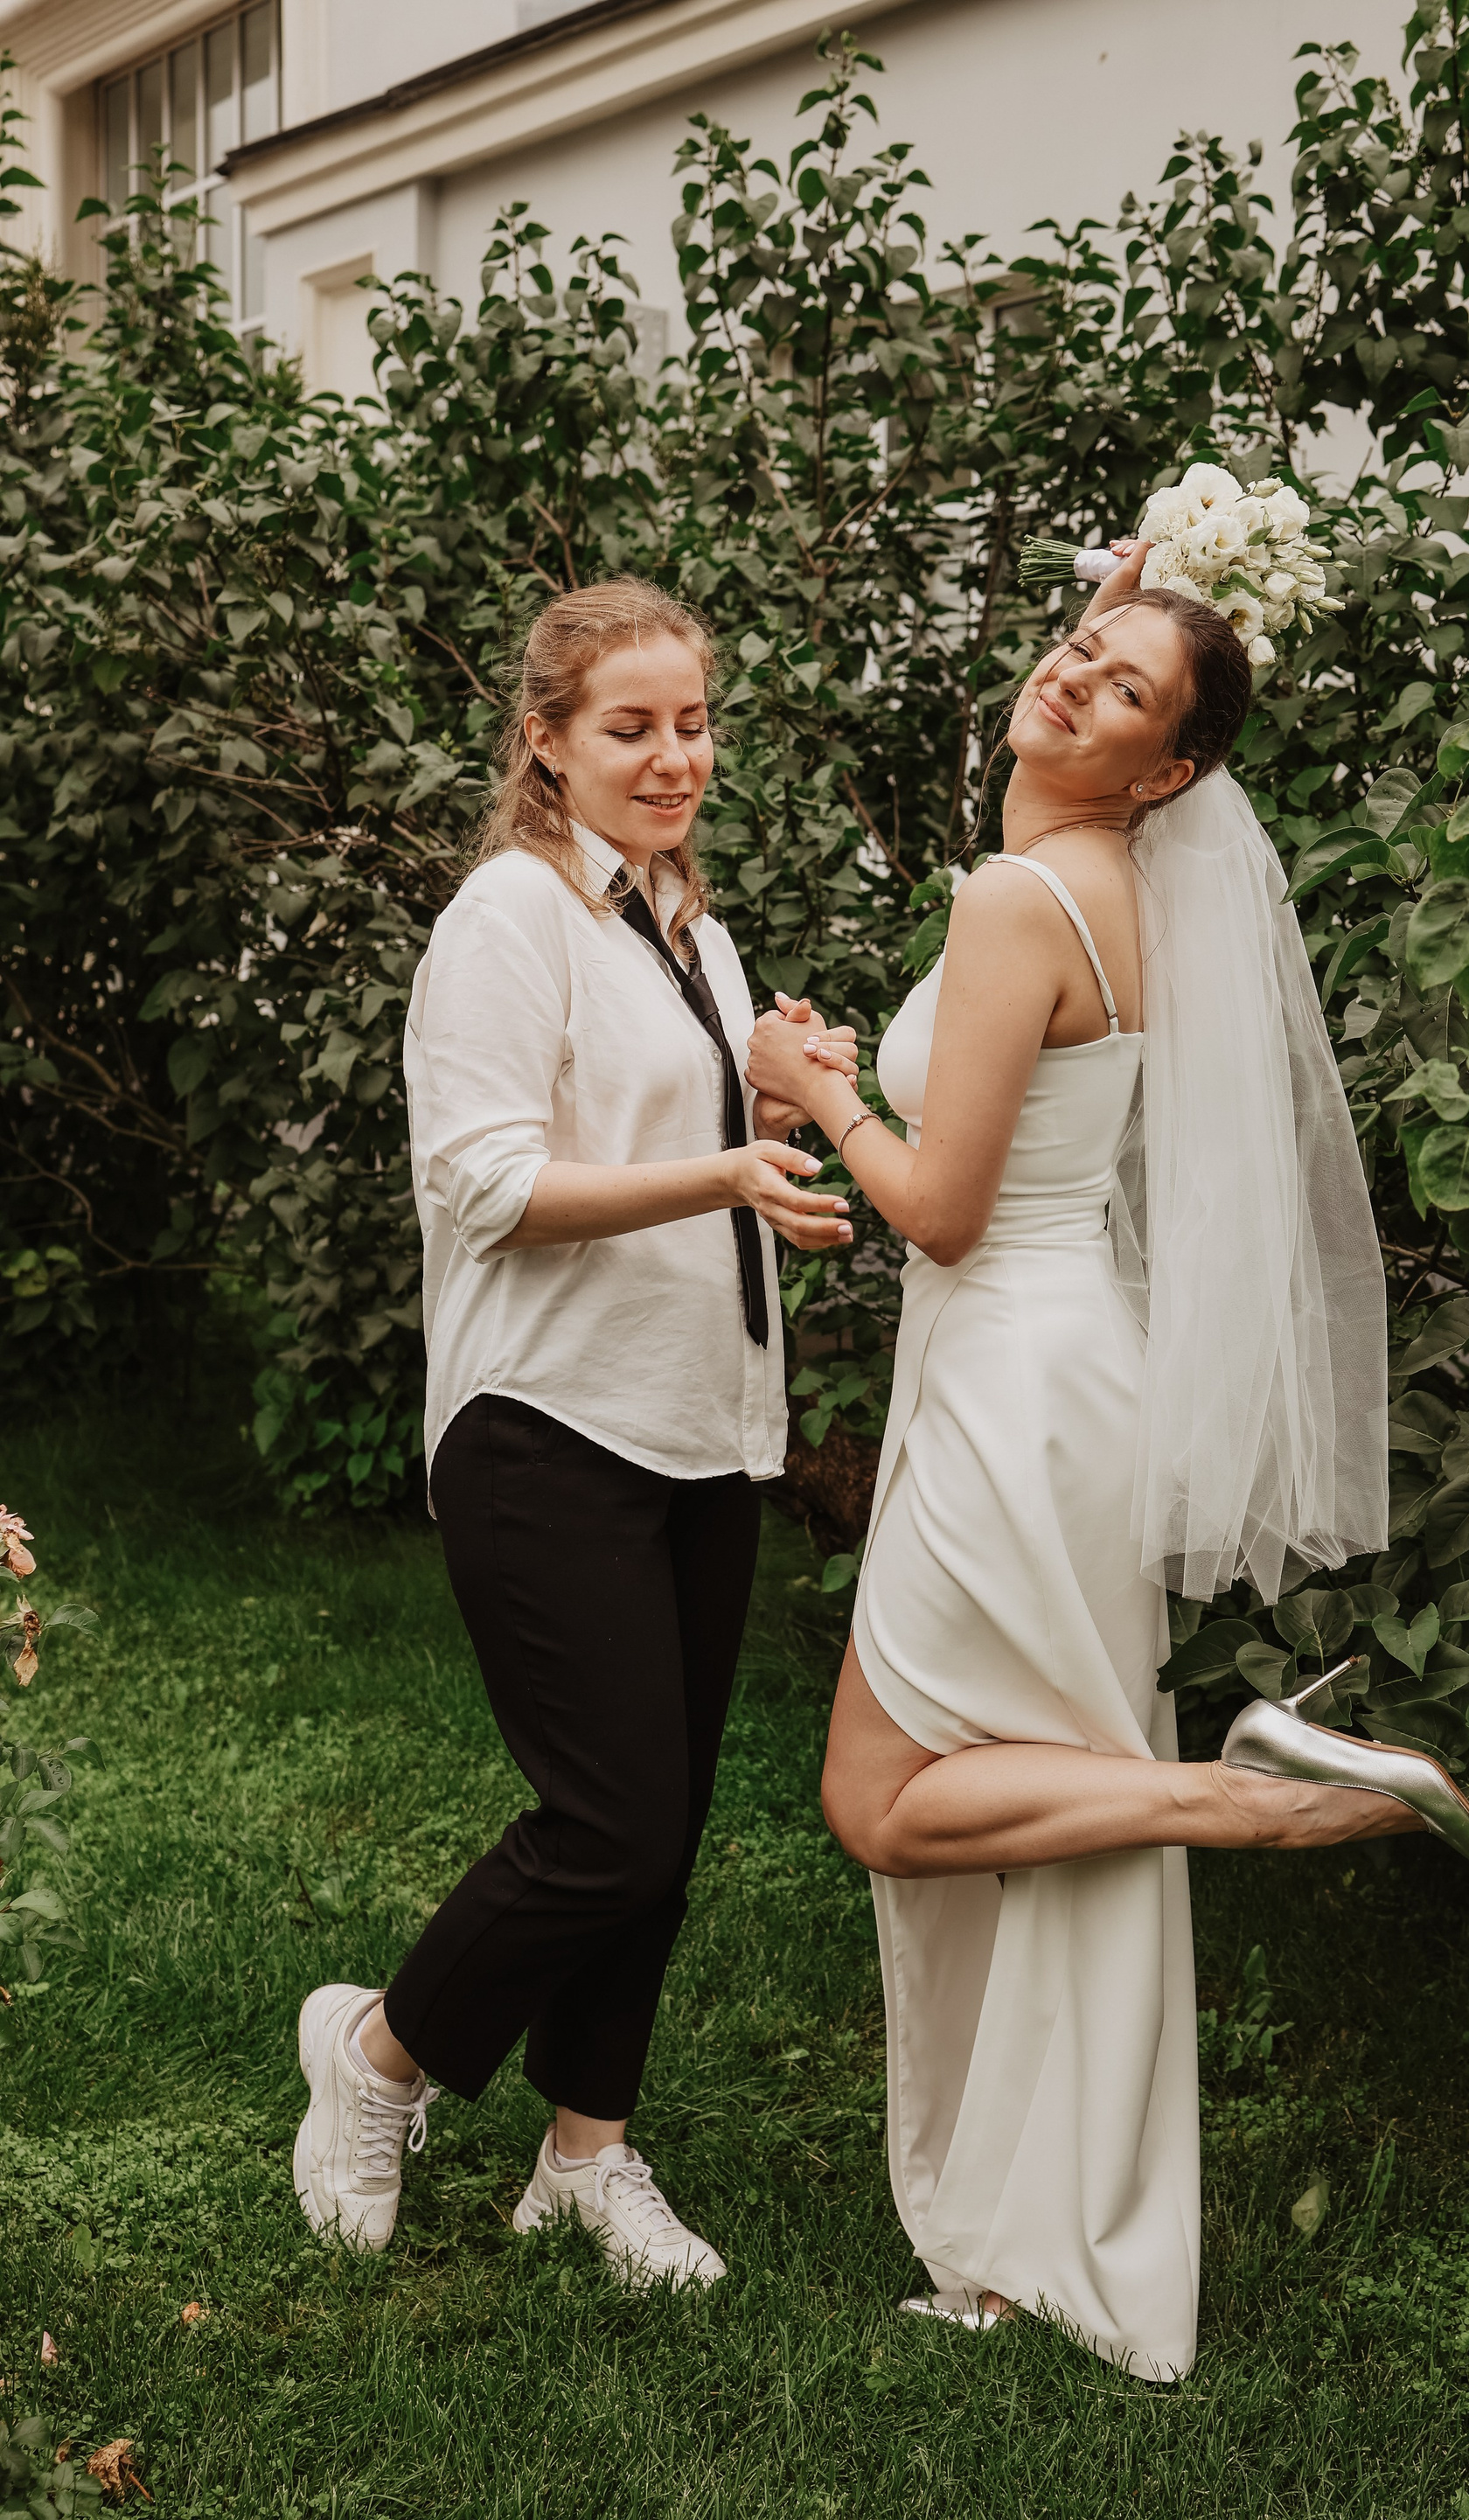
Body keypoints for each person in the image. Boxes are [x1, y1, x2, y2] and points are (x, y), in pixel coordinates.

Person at [745, 541, 1469, 2377]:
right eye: (1081, 649)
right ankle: (1038, 2245)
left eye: (1127, 691)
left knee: (884, 1800)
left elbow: (942, 1210)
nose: (1076, 678)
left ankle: (1240, 1799)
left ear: (1172, 769)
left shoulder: (1029, 898)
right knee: (1038, 1809)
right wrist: (1140, 602)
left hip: (1009, 1385)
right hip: (1059, 1373)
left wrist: (815, 1089)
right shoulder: (1110, 878)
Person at [290, 578, 855, 2280]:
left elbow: (656, 1105)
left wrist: (766, 1079)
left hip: (701, 1424)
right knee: (606, 1822)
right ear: (546, 741)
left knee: (659, 1836)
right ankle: (378, 2050)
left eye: (693, 722)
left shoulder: (683, 920)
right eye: (631, 727)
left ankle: (587, 2158)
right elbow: (488, 1184)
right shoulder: (508, 918)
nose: (675, 756)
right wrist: (724, 1167)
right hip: (547, 1422)